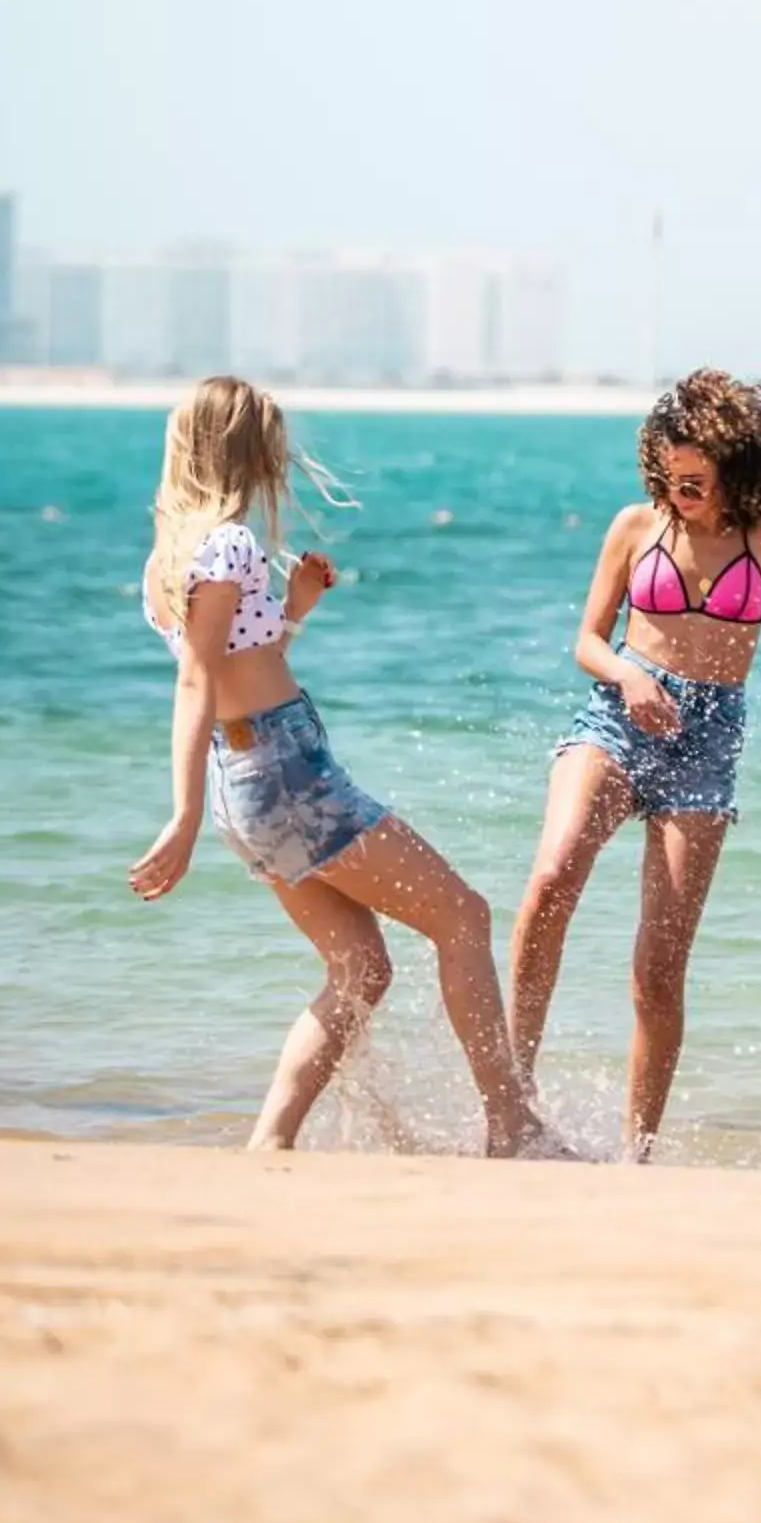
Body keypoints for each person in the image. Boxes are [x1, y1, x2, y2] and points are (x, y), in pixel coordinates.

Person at [129, 375, 553, 1157]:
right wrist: (180, 816)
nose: (278, 457)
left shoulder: (170, 557)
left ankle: (271, 1143)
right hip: (288, 777)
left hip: (248, 780)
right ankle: (511, 1125)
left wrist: (292, 612)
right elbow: (197, 678)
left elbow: (232, 667)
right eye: (267, 443)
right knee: (464, 918)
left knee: (360, 967)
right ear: (240, 450)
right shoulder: (227, 543)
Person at [510, 370, 761, 1155]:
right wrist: (630, 673)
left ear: (738, 464)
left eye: (697, 480)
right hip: (618, 716)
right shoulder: (637, 526)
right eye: (671, 476)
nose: (681, 491)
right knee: (552, 876)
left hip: (707, 741)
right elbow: (588, 642)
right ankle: (512, 1092)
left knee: (660, 966)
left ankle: (637, 1152)